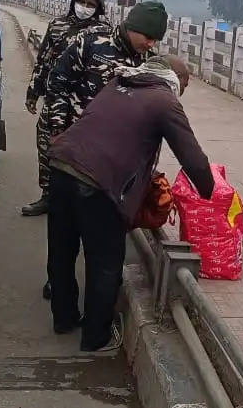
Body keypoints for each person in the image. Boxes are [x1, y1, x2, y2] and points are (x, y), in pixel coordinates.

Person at [46, 55, 214, 351]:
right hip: (99, 184)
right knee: (105, 262)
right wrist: (211, 193)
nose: (183, 91)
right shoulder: (164, 101)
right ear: (176, 79)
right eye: (185, 85)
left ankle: (64, 319)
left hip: (61, 165)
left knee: (62, 250)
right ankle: (96, 337)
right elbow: (193, 159)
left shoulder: (116, 82)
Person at [36, 0, 166, 300]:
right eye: (148, 36)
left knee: (102, 232)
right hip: (73, 150)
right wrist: (58, 130)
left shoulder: (146, 62)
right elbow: (58, 82)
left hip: (112, 162)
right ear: (133, 27)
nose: (151, 43)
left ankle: (102, 291)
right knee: (64, 233)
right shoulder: (90, 41)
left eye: (156, 39)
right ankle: (58, 284)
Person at [22, 0, 108, 217]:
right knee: (47, 146)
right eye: (81, 1)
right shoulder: (58, 26)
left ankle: (79, 204)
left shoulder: (104, 33)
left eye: (90, 3)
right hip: (54, 100)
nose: (84, 6)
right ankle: (48, 197)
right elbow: (44, 60)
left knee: (82, 155)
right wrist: (33, 91)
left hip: (85, 106)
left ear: (98, 6)